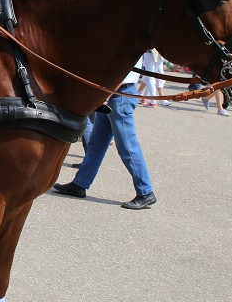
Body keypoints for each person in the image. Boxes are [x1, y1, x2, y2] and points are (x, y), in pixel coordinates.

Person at [51, 59, 156, 210]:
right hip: (113, 94)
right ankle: (80, 183)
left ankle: (145, 192)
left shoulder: (133, 43)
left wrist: (106, 95)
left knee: (127, 146)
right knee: (96, 144)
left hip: (118, 94)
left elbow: (124, 72)